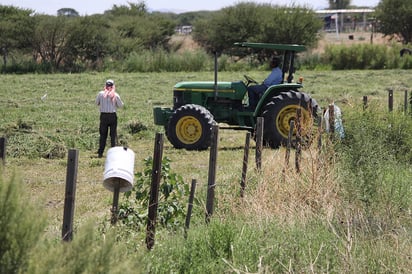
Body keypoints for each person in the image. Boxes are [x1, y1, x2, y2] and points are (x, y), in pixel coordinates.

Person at [95, 79, 124, 158]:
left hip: (103, 116)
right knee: (113, 135)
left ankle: (100, 152)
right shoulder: (115, 95)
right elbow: (121, 105)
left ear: (105, 86)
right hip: (112, 116)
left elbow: (96, 103)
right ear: (113, 86)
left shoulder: (101, 94)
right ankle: (113, 153)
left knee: (103, 135)